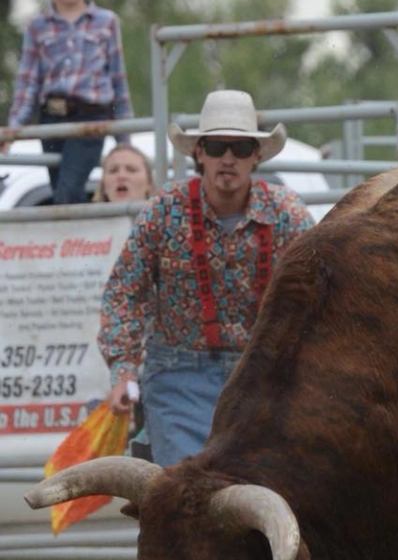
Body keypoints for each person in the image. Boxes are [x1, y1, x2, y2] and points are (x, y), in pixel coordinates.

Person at [98, 90, 314, 466]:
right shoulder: (163, 212)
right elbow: (124, 293)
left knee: (269, 481)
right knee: (189, 486)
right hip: (178, 376)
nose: (227, 159)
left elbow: (318, 292)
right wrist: (124, 371)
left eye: (241, 148)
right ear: (199, 153)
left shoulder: (287, 214)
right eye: (216, 146)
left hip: (263, 375)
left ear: (256, 156)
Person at [2, 0, 134, 204]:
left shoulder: (106, 22)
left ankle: (81, 240)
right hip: (51, 118)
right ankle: (79, 242)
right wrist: (13, 129)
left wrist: (125, 140)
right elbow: (28, 83)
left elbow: (118, 82)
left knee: (68, 191)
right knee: (59, 190)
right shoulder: (37, 26)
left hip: (91, 118)